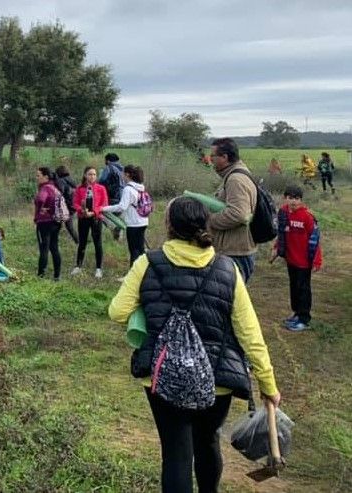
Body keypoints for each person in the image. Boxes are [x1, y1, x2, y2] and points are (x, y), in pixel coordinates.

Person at [109, 196, 281, 493]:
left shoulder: (147, 263)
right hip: (216, 380)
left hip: (163, 378)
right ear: (206, 225)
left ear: (169, 225)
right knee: (208, 442)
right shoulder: (227, 269)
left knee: (176, 454)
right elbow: (250, 334)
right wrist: (268, 384)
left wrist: (148, 309)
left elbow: (117, 311)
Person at [270, 186, 322, 332]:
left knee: (303, 289)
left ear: (301, 200)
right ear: (285, 198)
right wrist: (276, 249)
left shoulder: (307, 217)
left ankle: (304, 319)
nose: (293, 201)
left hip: (304, 262)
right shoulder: (284, 213)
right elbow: (281, 234)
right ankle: (296, 313)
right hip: (291, 260)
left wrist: (317, 260)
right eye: (290, 198)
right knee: (294, 288)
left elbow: (315, 240)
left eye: (297, 198)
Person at [206, 138, 258, 283]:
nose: (210, 160)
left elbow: (238, 214)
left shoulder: (236, 179)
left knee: (230, 294)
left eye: (213, 156)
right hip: (234, 250)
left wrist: (208, 219)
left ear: (224, 157)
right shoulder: (235, 175)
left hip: (235, 252)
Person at [102, 165, 149, 269]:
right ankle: (144, 270)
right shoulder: (140, 187)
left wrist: (104, 208)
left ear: (127, 174)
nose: (122, 176)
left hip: (133, 223)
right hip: (143, 221)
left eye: (123, 173)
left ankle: (133, 272)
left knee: (134, 250)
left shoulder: (128, 189)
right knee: (141, 249)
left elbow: (122, 207)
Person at [71, 166, 108, 278]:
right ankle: (78, 266)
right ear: (85, 175)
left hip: (96, 218)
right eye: (90, 174)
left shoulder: (101, 188)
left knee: (98, 242)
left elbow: (104, 204)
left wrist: (94, 212)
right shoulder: (80, 189)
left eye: (94, 174)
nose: (92, 176)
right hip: (83, 217)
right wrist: (81, 210)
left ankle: (98, 268)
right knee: (82, 242)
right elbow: (75, 203)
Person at [34, 167, 63, 281]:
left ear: (46, 177)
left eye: (38, 175)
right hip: (56, 222)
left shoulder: (45, 188)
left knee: (44, 248)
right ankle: (57, 275)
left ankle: (41, 275)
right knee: (54, 247)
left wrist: (40, 209)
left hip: (44, 222)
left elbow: (41, 199)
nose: (37, 178)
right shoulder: (55, 188)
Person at [99, 153, 125, 240]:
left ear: (108, 160)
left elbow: (101, 180)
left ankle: (114, 227)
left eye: (105, 160)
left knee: (101, 213)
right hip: (122, 197)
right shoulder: (123, 169)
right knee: (117, 216)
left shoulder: (109, 168)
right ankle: (118, 240)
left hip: (112, 196)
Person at [54, 165, 79, 244]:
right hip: (73, 206)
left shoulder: (61, 181)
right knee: (68, 225)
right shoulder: (71, 180)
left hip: (66, 206)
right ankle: (78, 241)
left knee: (64, 225)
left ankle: (78, 241)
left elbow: (60, 191)